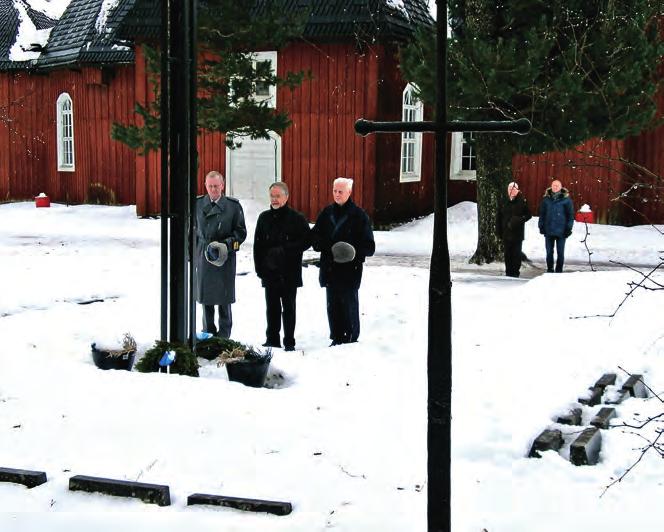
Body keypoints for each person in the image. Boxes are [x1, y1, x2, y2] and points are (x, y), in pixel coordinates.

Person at [311, 177, 375, 346]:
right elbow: (315, 237)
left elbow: (369, 246)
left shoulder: (359, 216)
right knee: (332, 305)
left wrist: (351, 252)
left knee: (348, 304)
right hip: (330, 268)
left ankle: (351, 338)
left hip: (349, 270)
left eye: (340, 191)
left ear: (349, 192)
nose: (337, 194)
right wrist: (328, 247)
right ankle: (336, 337)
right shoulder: (326, 213)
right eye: (334, 191)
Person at [253, 182, 311, 351]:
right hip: (269, 271)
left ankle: (289, 341)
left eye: (278, 196)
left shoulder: (297, 218)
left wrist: (286, 250)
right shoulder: (264, 218)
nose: (274, 199)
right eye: (272, 196)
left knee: (289, 308)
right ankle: (272, 339)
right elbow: (258, 246)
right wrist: (259, 269)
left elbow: (307, 241)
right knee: (271, 308)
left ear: (286, 197)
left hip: (289, 272)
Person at [195, 171, 247, 337]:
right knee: (206, 298)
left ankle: (224, 336)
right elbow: (191, 231)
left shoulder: (233, 206)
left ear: (222, 186)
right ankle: (208, 333)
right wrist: (191, 255)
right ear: (205, 186)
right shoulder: (197, 204)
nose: (213, 189)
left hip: (224, 257)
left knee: (224, 299)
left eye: (216, 186)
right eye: (210, 186)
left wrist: (226, 245)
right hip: (203, 255)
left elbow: (241, 233)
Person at [496, 181, 532, 278]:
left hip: (517, 233)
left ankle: (515, 272)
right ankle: (508, 272)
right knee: (507, 254)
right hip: (506, 232)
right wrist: (499, 232)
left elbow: (529, 215)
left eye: (514, 189)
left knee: (516, 254)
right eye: (510, 189)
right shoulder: (503, 201)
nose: (511, 191)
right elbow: (498, 217)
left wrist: (520, 219)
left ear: (518, 191)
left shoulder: (522, 201)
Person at [538, 179, 574, 273]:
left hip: (561, 231)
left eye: (557, 185)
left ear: (561, 187)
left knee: (560, 252)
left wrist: (568, 228)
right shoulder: (546, 200)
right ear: (551, 186)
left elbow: (570, 216)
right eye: (554, 185)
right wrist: (541, 226)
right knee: (549, 252)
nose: (555, 187)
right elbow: (542, 214)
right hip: (548, 230)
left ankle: (559, 270)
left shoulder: (566, 200)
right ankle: (550, 269)